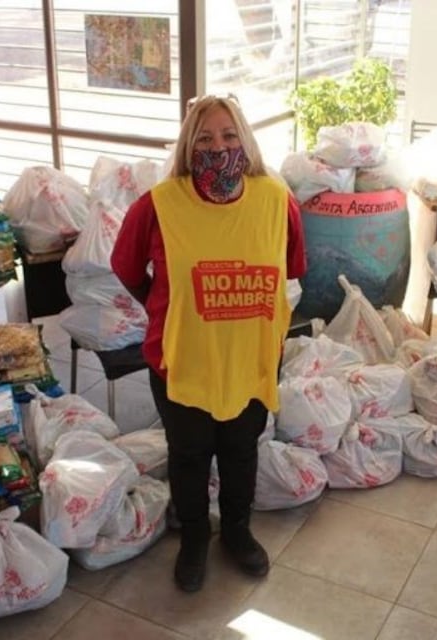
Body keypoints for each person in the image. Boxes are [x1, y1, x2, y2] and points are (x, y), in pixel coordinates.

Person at [110, 95, 307, 592]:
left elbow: (292, 269)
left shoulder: (275, 201)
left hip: (250, 358)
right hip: (181, 359)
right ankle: (195, 535)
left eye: (229, 135)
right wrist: (167, 306)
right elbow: (127, 267)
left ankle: (237, 530)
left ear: (245, 140)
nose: (218, 147)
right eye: (204, 138)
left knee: (241, 450)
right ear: (187, 146)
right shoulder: (159, 205)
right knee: (190, 453)